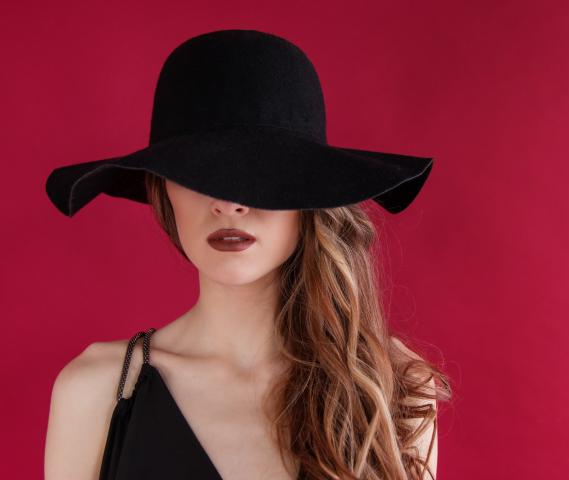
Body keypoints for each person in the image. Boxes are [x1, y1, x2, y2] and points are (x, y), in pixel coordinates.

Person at [43, 29, 452, 479]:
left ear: (310, 195)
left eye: (261, 171)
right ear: (163, 188)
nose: (229, 203)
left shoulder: (394, 388)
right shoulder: (97, 391)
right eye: (198, 171)